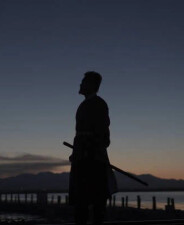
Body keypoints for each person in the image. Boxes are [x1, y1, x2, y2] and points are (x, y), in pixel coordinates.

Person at [69, 71, 117, 225]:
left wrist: (87, 149)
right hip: (83, 159)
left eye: (83, 82)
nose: (80, 84)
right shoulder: (85, 105)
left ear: (91, 85)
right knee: (82, 204)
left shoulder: (99, 104)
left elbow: (103, 136)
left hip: (92, 161)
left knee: (95, 205)